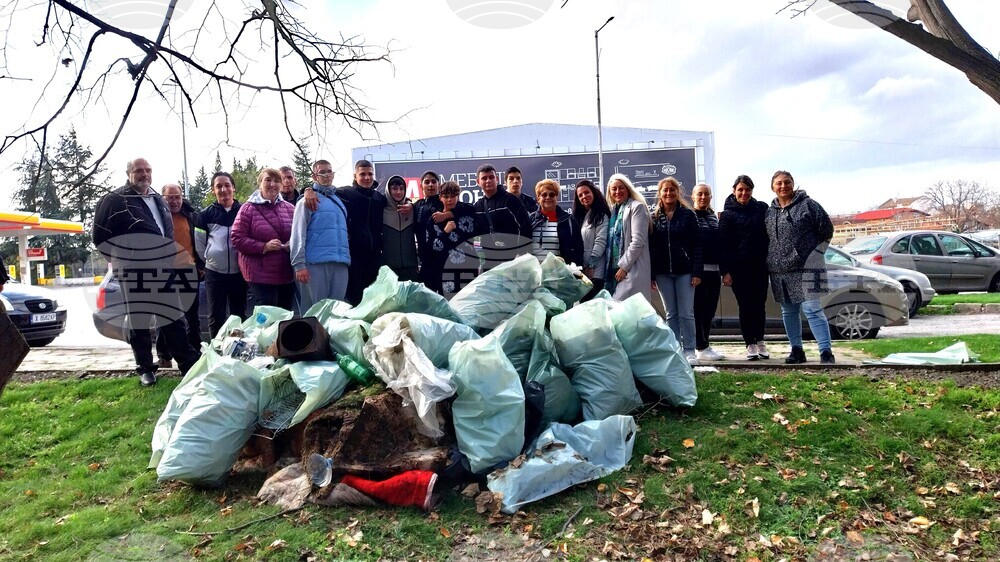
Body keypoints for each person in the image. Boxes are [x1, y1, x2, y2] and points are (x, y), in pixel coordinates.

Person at [92, 158, 199, 386]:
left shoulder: (157, 199)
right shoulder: (114, 200)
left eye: (148, 170)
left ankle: (188, 364)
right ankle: (145, 369)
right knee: (139, 322)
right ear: (128, 173)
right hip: (133, 271)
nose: (144, 174)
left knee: (173, 318)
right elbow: (99, 237)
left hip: (163, 268)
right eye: (138, 170)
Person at [765, 170, 836, 365]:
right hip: (781, 270)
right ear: (773, 187)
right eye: (779, 183)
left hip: (808, 267)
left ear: (793, 184)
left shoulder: (809, 205)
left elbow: (827, 230)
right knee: (788, 311)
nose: (783, 186)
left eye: (787, 182)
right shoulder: (770, 212)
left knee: (812, 308)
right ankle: (796, 350)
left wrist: (816, 254)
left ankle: (826, 352)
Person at [649, 177, 702, 363]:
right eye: (665, 190)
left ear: (677, 192)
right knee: (670, 313)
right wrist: (651, 274)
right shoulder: (654, 216)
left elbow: (697, 245)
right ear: (660, 193)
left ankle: (689, 350)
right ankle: (675, 349)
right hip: (663, 272)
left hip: (685, 270)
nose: (669, 193)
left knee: (686, 312)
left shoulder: (688, 215)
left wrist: (697, 272)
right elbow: (651, 247)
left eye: (672, 190)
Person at [719, 175, 771, 360]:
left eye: (747, 190)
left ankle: (761, 341)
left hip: (760, 267)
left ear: (752, 191)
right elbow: (723, 244)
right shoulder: (727, 215)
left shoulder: (762, 208)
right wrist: (725, 271)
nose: (744, 193)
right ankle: (750, 343)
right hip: (738, 269)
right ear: (734, 191)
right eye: (740, 189)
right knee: (745, 306)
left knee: (760, 306)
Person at [289, 160, 351, 313]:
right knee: (314, 314)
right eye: (322, 172)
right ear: (314, 175)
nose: (326, 175)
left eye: (329, 171)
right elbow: (298, 234)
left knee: (337, 314)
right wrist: (299, 265)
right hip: (315, 265)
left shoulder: (339, 201)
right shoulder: (306, 201)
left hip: (340, 264)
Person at [231, 168, 296, 311]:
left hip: (285, 271)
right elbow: (237, 238)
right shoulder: (247, 209)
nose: (272, 184)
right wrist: (264, 246)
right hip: (259, 273)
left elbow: (298, 234)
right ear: (260, 182)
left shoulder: (290, 208)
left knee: (286, 314)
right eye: (268, 180)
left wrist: (293, 243)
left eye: (277, 180)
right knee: (268, 314)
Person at [155, 184, 204, 368]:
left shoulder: (191, 216)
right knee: (165, 315)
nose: (174, 201)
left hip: (188, 269)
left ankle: (194, 353)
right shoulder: (157, 217)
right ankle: (164, 355)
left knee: (192, 315)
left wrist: (200, 265)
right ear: (163, 198)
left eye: (177, 197)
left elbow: (198, 242)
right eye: (170, 197)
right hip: (164, 270)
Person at [337, 159, 397, 305]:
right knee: (356, 300)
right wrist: (307, 191)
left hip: (375, 256)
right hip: (354, 257)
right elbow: (322, 190)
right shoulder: (346, 193)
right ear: (355, 176)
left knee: (375, 301)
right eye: (362, 174)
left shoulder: (380, 198)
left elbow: (397, 202)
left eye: (370, 174)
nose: (367, 178)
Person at [196, 171, 247, 337]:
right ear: (213, 190)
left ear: (233, 188)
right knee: (216, 317)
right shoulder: (204, 215)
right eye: (219, 186)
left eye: (227, 185)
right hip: (215, 273)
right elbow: (199, 245)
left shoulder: (245, 211)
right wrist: (211, 259)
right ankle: (217, 354)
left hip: (239, 272)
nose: (223, 189)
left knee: (238, 316)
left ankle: (239, 353)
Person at [421, 181, 481, 296]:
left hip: (468, 270)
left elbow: (471, 208)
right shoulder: (434, 220)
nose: (450, 200)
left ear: (458, 196)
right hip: (445, 272)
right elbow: (432, 248)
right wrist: (445, 232)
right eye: (446, 196)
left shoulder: (468, 212)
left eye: (453, 196)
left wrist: (448, 215)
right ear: (440, 198)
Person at [473, 163, 532, 271]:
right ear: (478, 182)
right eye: (484, 178)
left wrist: (521, 254)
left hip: (513, 261)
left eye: (491, 177)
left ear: (496, 179)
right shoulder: (478, 206)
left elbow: (525, 226)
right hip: (490, 263)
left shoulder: (511, 200)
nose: (488, 181)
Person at [604, 174, 651, 303]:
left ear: (628, 189)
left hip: (631, 268)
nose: (617, 191)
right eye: (614, 189)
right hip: (614, 271)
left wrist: (624, 267)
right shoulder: (613, 212)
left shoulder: (637, 207)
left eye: (621, 188)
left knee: (622, 309)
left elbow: (638, 241)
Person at [691, 183, 724, 362]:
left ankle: (705, 343)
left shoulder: (713, 217)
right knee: (699, 310)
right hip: (698, 272)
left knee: (710, 310)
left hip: (714, 271)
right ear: (693, 196)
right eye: (700, 194)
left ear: (710, 197)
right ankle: (700, 346)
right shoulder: (690, 216)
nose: (703, 197)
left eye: (706, 194)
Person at [527, 179, 584, 265]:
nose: (548, 197)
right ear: (538, 198)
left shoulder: (569, 220)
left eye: (552, 194)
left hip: (560, 275)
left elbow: (578, 249)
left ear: (556, 197)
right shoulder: (531, 219)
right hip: (535, 275)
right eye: (544, 194)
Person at [573, 179, 610, 300]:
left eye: (586, 192)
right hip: (584, 272)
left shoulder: (601, 215)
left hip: (595, 273)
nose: (584, 196)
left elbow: (601, 241)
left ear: (593, 192)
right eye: (580, 195)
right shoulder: (584, 216)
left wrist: (591, 266)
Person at [381, 175, 420, 281]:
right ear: (388, 190)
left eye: (401, 189)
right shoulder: (380, 211)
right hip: (388, 270)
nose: (398, 192)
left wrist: (411, 205)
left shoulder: (412, 210)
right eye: (394, 188)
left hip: (410, 268)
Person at [413, 170, 442, 272]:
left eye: (434, 182)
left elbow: (466, 209)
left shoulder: (445, 202)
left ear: (439, 185)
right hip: (425, 260)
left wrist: (449, 214)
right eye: (427, 182)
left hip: (444, 259)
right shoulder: (417, 205)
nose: (430, 185)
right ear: (421, 186)